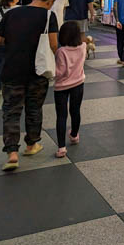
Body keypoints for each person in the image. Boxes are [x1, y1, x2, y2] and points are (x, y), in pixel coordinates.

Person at [0, 0, 58, 172]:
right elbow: (53, 44)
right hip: (37, 71)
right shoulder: (48, 16)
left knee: (11, 111)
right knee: (34, 108)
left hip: (12, 70)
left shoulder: (12, 14)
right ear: (50, 1)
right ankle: (31, 145)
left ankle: (12, 153)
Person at [53, 21, 86, 158]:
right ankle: (74, 135)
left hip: (61, 87)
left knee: (61, 115)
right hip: (78, 83)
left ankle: (61, 148)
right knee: (75, 110)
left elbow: (60, 72)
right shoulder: (83, 46)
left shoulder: (61, 51)